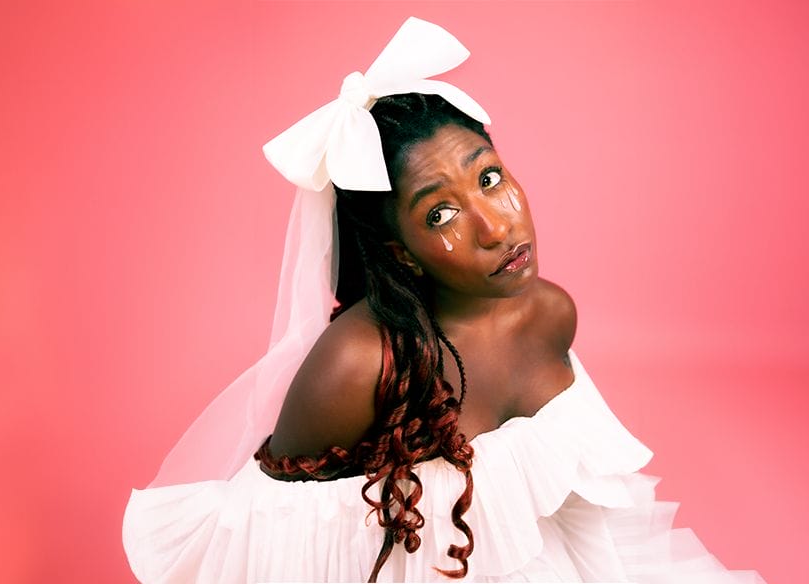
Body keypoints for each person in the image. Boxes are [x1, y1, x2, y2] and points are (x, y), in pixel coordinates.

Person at [123, 17, 765, 583]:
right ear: (400, 251)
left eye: (490, 178)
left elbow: (579, 522)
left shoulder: (548, 316)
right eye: (441, 214)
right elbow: (276, 553)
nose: (496, 226)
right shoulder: (354, 369)